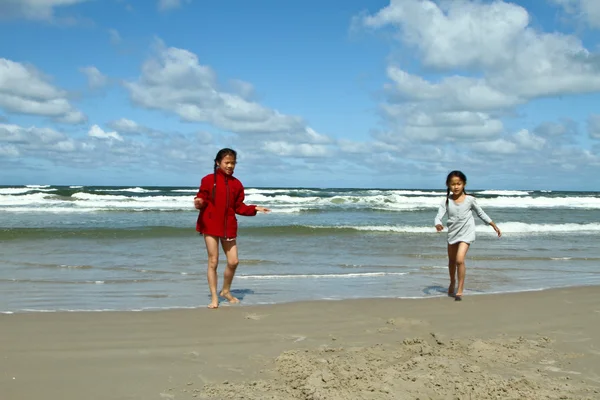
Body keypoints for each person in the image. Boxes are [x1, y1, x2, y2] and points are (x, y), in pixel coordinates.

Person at [194, 148, 270, 309]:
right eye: (227, 162)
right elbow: (202, 198)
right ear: (218, 163)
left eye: (233, 163)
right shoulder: (208, 180)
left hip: (228, 225)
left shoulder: (237, 184)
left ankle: (226, 291)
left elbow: (239, 207)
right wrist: (199, 202)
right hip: (210, 223)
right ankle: (214, 297)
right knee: (213, 261)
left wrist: (254, 208)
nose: (230, 166)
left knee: (233, 261)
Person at [434, 171, 501, 301]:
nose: (456, 187)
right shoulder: (446, 201)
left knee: (459, 260)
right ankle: (452, 281)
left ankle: (460, 289)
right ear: (448, 185)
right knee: (452, 261)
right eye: (453, 184)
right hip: (453, 233)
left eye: (459, 183)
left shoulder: (470, 200)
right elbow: (439, 215)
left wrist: (493, 225)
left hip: (467, 232)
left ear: (464, 184)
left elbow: (480, 213)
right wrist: (438, 224)